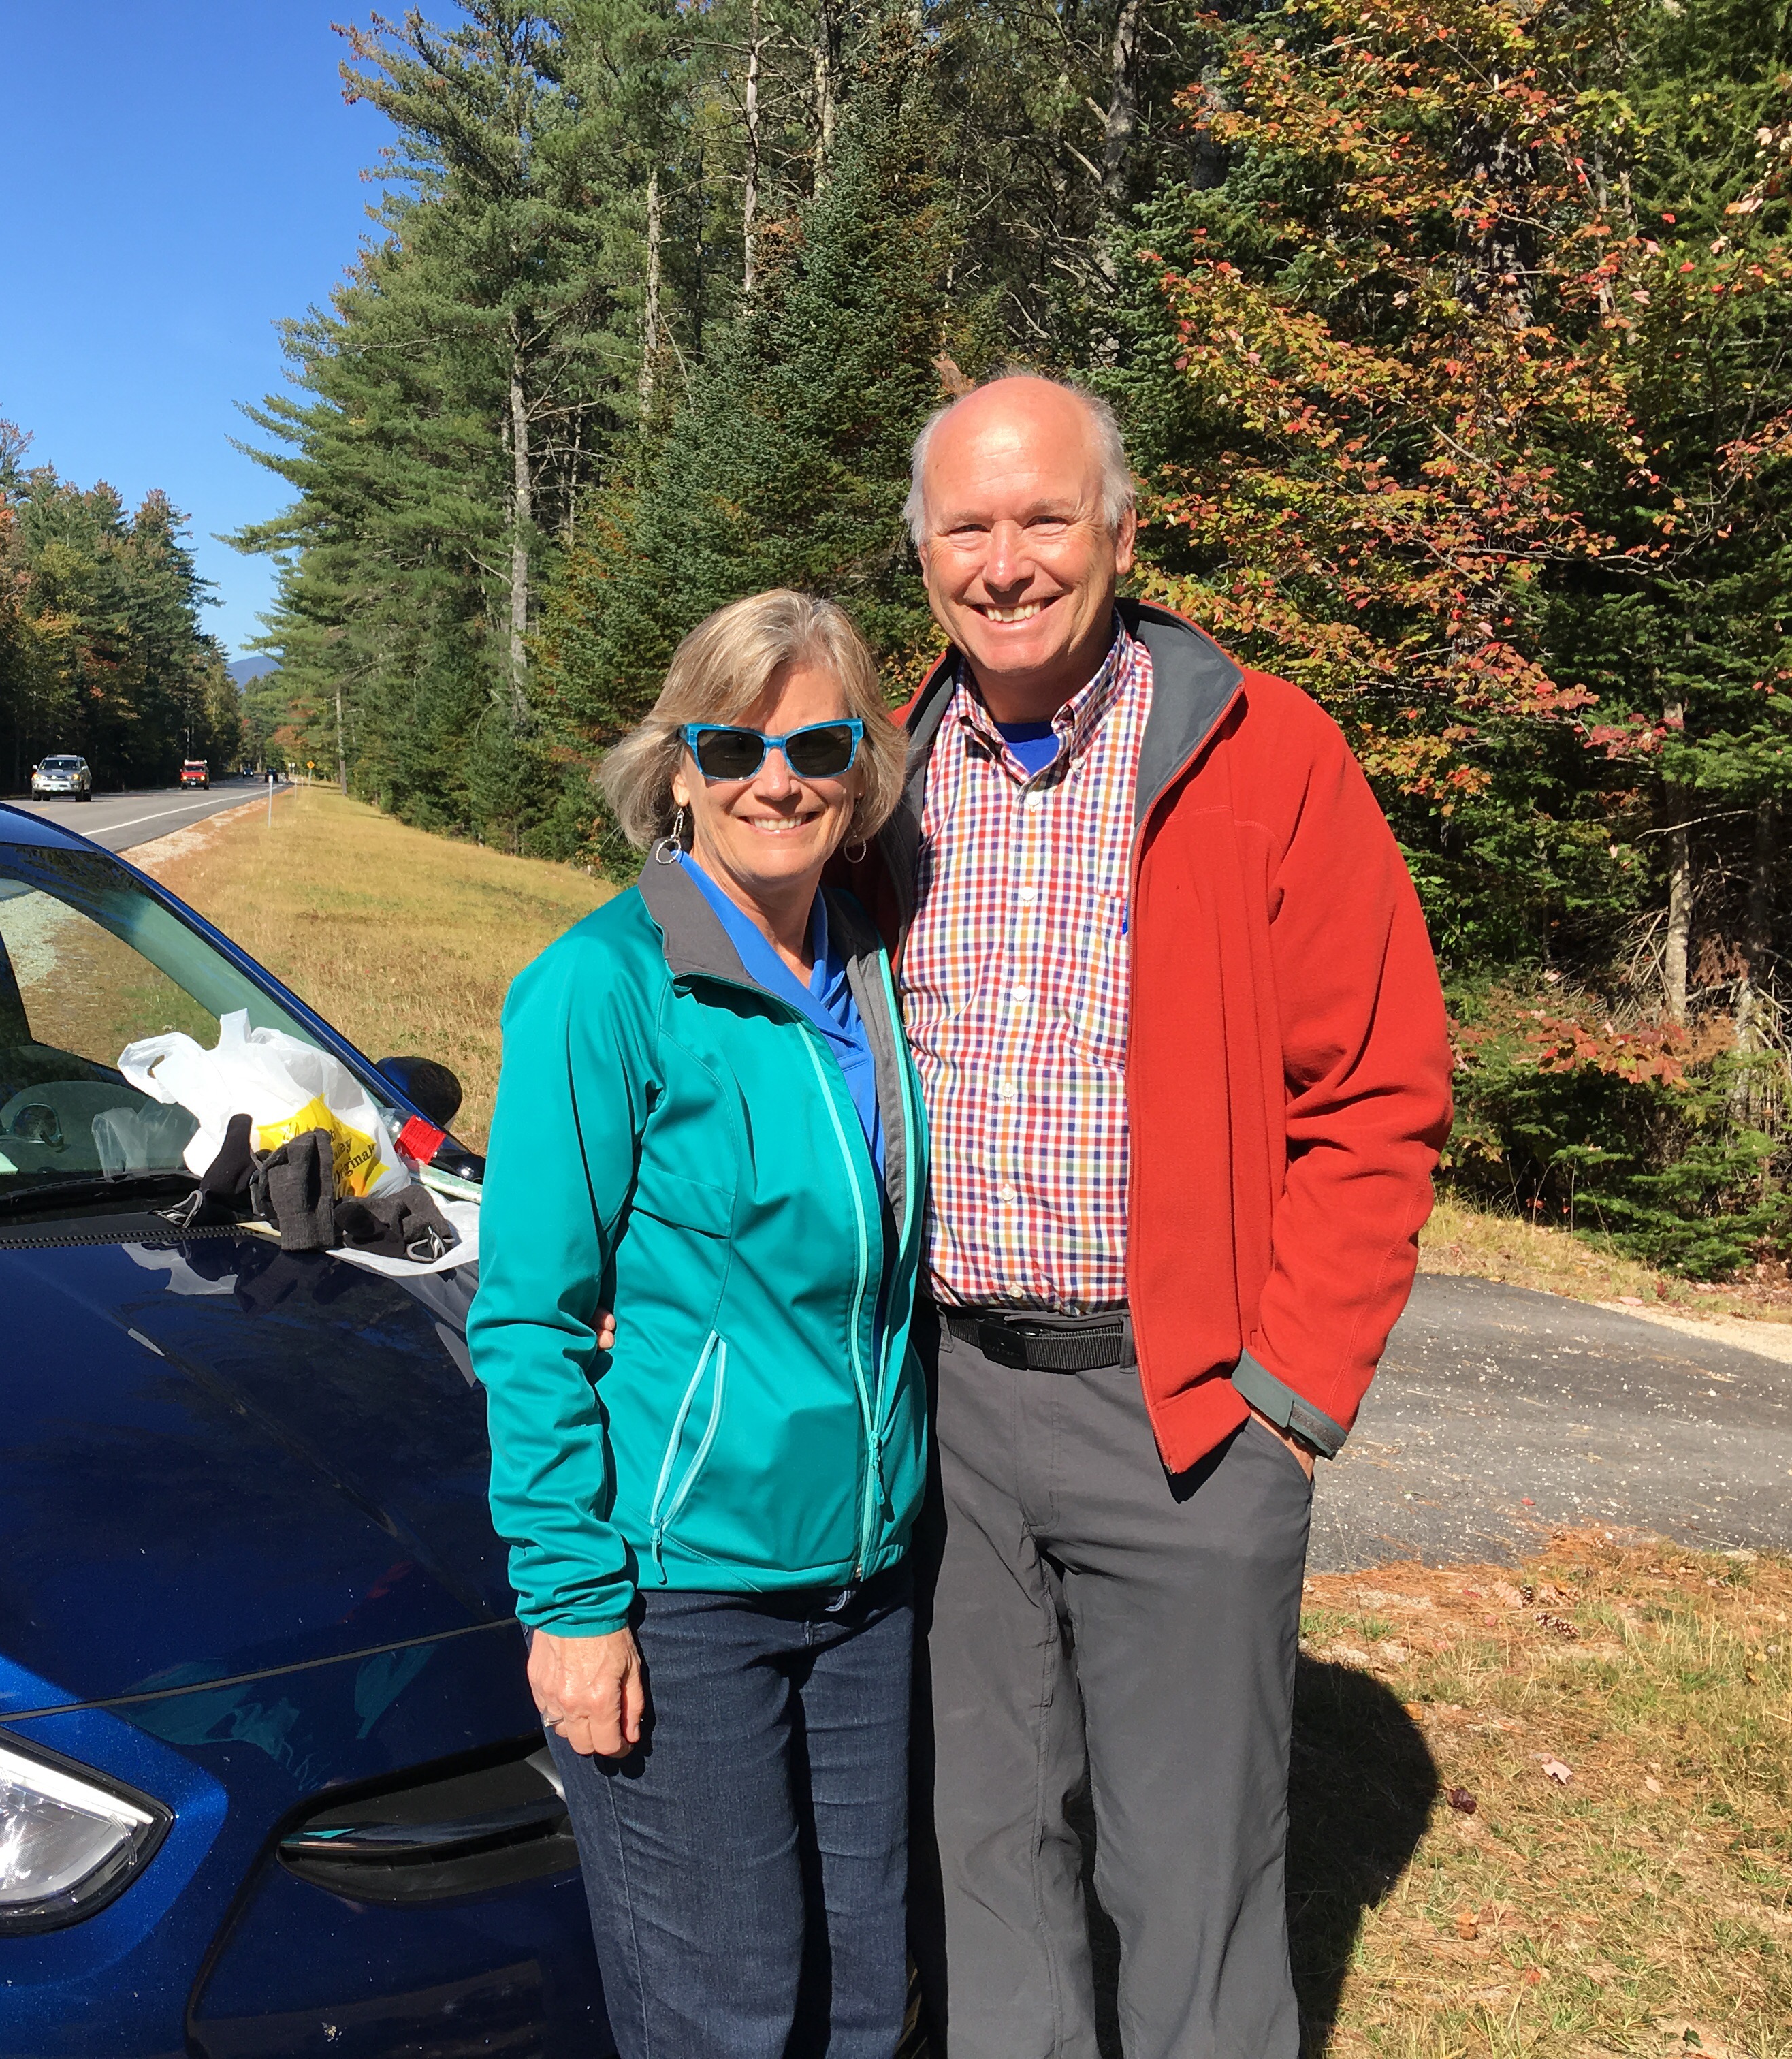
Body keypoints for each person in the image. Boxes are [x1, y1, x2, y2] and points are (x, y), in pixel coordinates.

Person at [848, 374, 1454, 2057]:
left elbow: (1382, 1083)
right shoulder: (883, 775)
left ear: (1121, 533)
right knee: (982, 1850)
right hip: (945, 1404)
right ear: (923, 554)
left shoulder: (1268, 752)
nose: (1007, 562)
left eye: (1045, 518)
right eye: (967, 527)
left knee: (1191, 1882)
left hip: (1182, 1409)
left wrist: (1290, 1397)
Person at [469, 589, 931, 2059]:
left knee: (869, 1999)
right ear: (678, 770)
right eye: (733, 747)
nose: (775, 781)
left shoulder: (873, 967)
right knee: (726, 2012)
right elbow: (529, 1320)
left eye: (817, 746)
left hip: (868, 1583)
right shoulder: (603, 988)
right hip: (690, 1591)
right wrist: (570, 1603)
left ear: (862, 773)